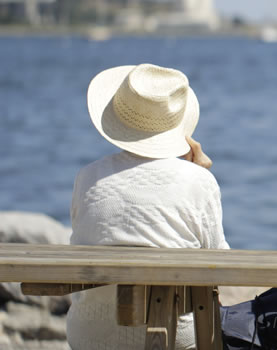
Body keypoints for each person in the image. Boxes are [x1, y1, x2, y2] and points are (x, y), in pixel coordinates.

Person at [66, 63, 230, 350]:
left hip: (90, 335)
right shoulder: (199, 181)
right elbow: (220, 263)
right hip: (173, 337)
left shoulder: (87, 177)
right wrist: (200, 175)